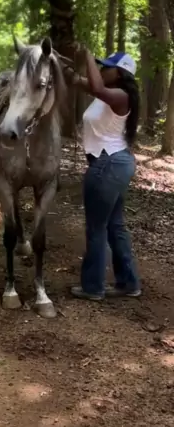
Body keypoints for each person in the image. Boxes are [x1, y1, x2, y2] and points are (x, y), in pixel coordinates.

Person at [70, 48, 141, 301]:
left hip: (106, 165)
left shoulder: (120, 95)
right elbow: (82, 82)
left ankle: (93, 287)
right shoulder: (108, 94)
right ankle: (128, 283)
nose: (101, 69)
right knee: (114, 224)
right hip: (113, 164)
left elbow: (96, 87)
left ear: (120, 73)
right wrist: (64, 66)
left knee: (96, 228)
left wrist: (88, 56)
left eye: (106, 66)